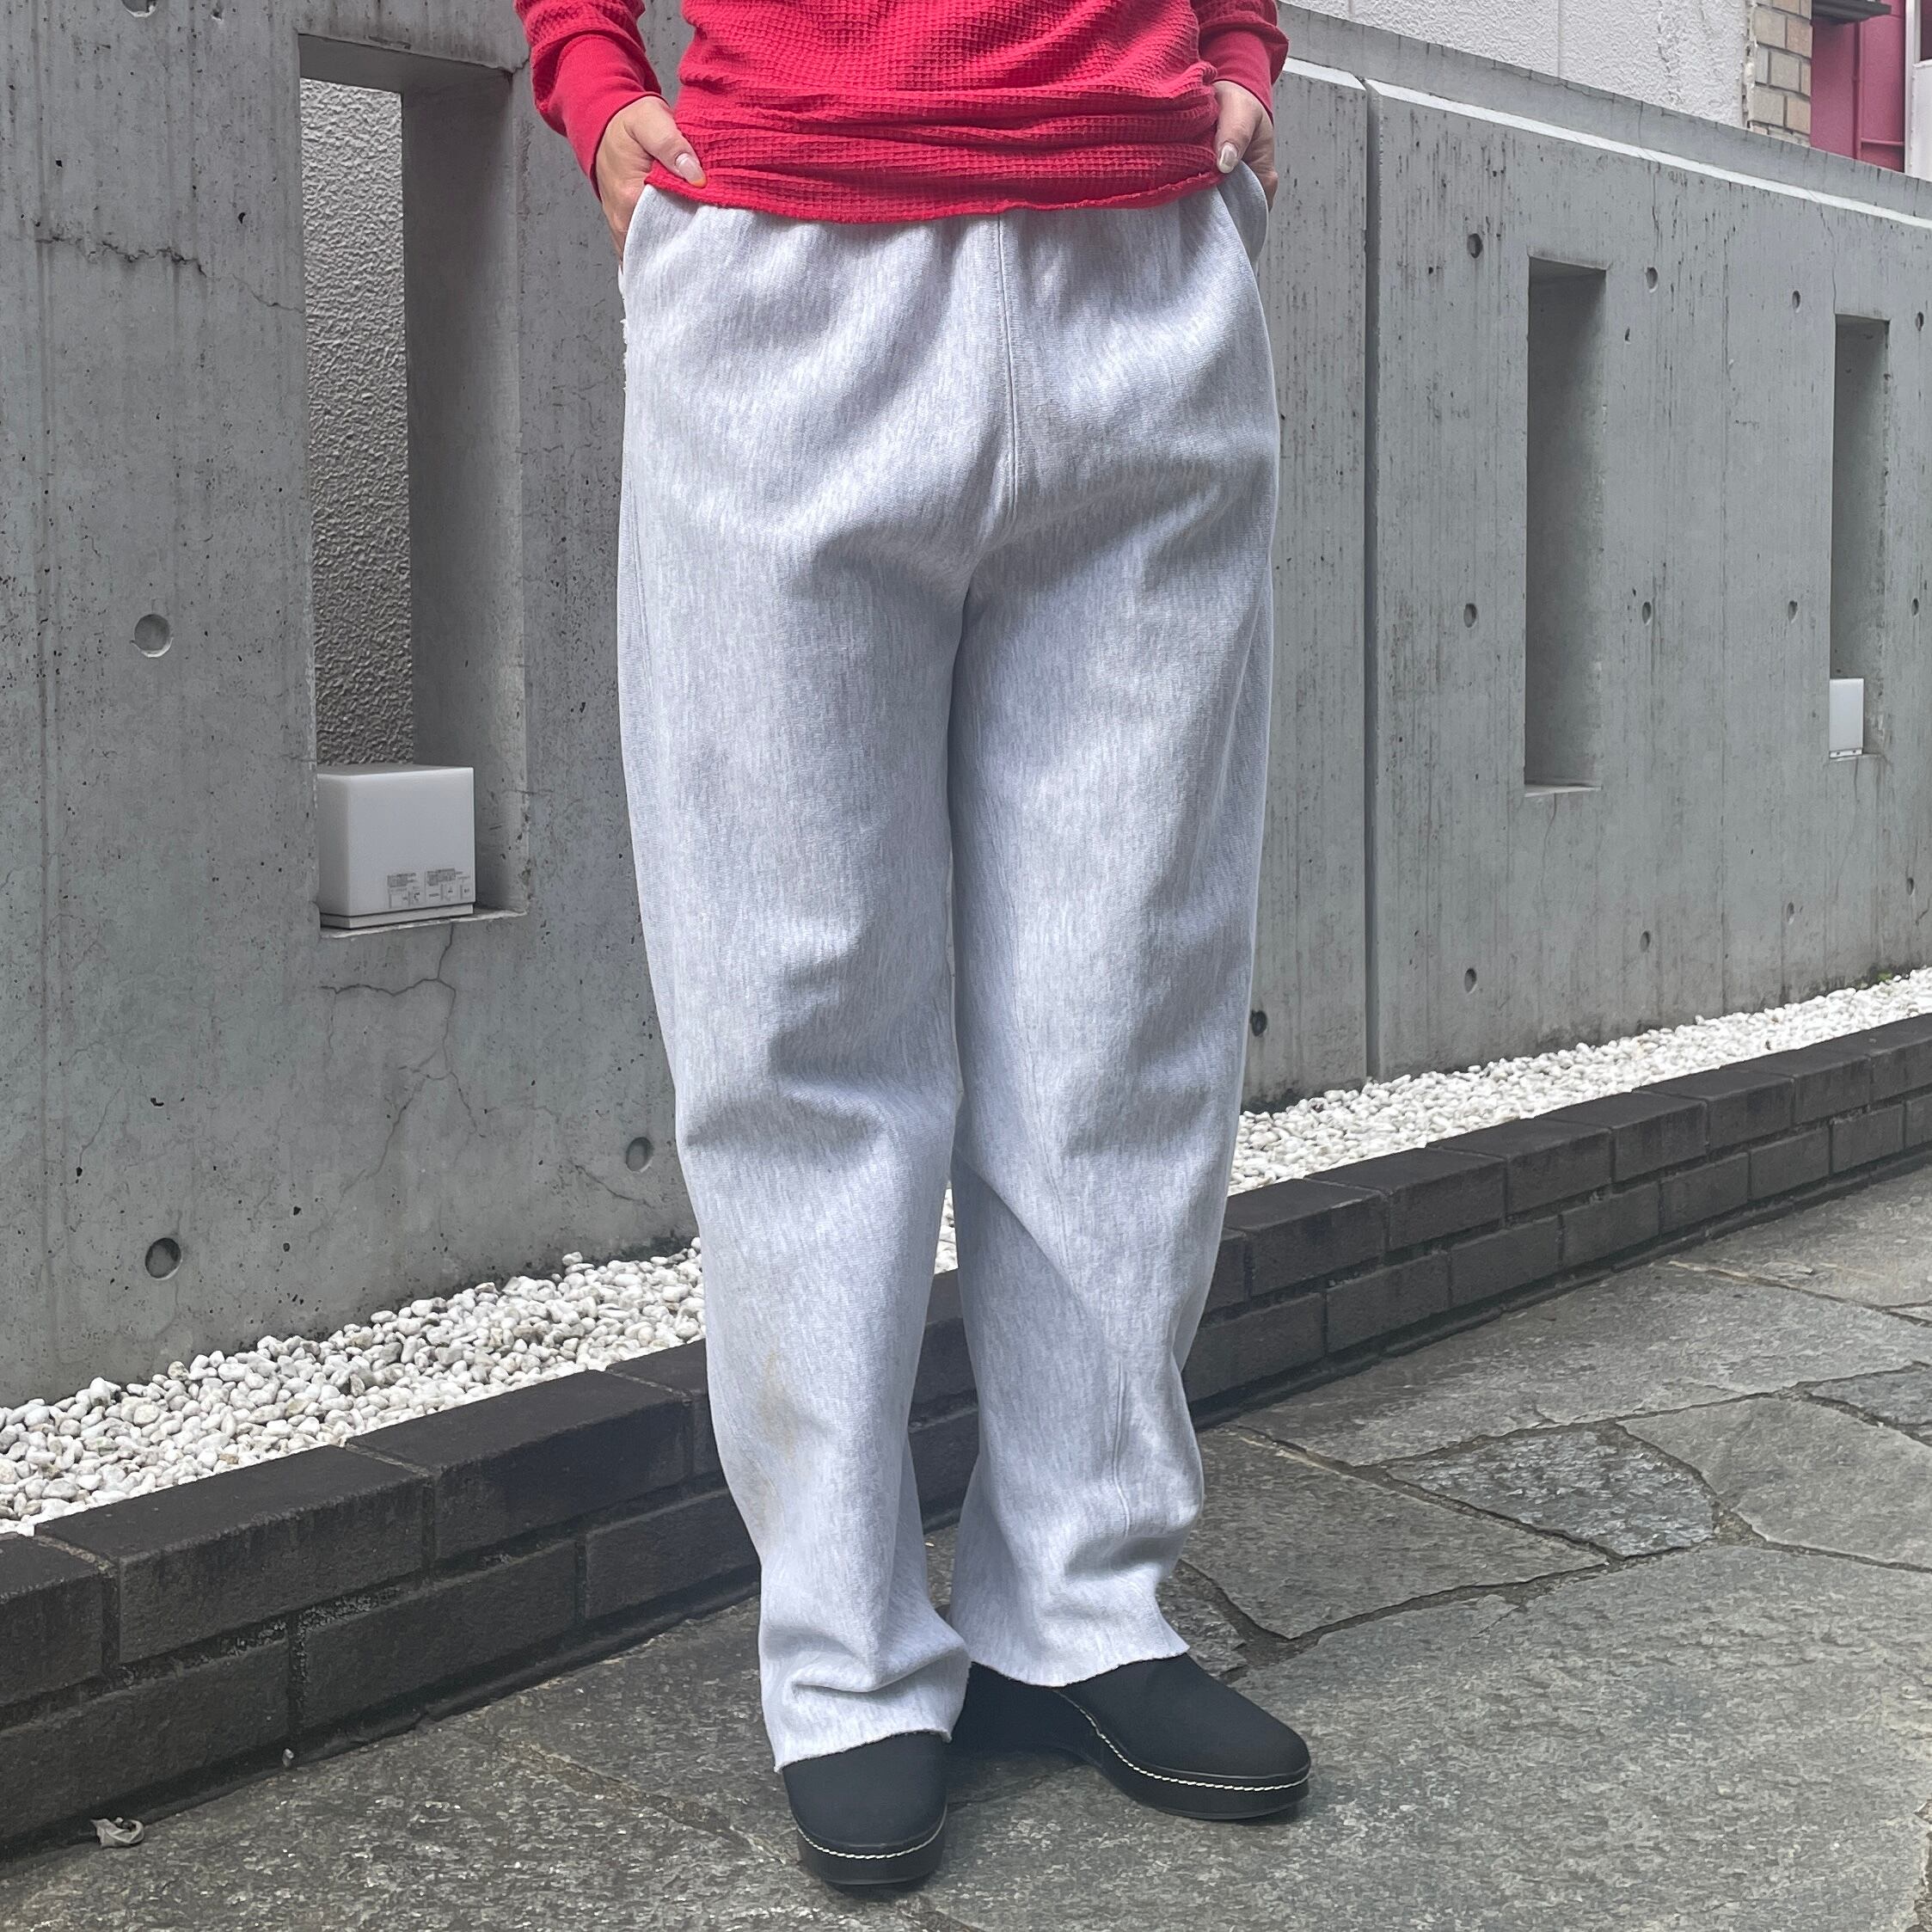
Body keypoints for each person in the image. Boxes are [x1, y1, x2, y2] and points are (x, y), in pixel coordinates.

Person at [514, 0, 1310, 1890]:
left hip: (1140, 249)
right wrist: (588, 73)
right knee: (795, 1007)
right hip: (788, 247)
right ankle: (845, 1650)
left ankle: (1080, 1602)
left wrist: (1241, 49)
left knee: (1126, 1002)